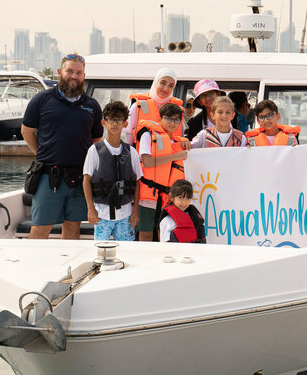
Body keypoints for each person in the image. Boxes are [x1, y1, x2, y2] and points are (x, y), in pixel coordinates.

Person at [21, 53, 103, 239]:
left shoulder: (92, 105)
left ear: (84, 76)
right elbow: (27, 131)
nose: (74, 76)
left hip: (80, 177)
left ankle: (68, 267)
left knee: (73, 227)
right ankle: (30, 265)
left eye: (79, 72)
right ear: (60, 72)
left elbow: (97, 140)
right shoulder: (41, 100)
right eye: (70, 71)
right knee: (41, 228)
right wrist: (41, 153)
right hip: (48, 176)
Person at [83, 100, 142, 241]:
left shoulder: (131, 152)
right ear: (103, 122)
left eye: (119, 120)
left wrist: (135, 211)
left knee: (127, 250)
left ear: (125, 124)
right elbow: (86, 180)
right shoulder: (95, 150)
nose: (114, 124)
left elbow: (137, 183)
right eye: (110, 120)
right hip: (101, 214)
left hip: (126, 214)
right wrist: (90, 209)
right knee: (100, 251)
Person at [137, 101, 188, 241]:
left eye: (176, 119)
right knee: (145, 234)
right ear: (159, 119)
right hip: (149, 196)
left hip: (170, 198)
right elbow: (146, 162)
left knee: (165, 235)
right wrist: (174, 157)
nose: (172, 122)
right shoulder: (148, 135)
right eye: (168, 118)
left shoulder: (180, 143)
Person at [125, 68, 184, 148]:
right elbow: (128, 141)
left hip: (170, 158)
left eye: (170, 86)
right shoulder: (137, 107)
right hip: (142, 159)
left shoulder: (178, 110)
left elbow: (181, 138)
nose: (166, 89)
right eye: (162, 83)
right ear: (156, 82)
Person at [159, 179, 206, 243]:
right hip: (176, 252)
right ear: (171, 197)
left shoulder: (193, 216)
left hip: (194, 252)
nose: (184, 202)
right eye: (180, 197)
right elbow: (165, 245)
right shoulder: (167, 220)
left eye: (188, 198)